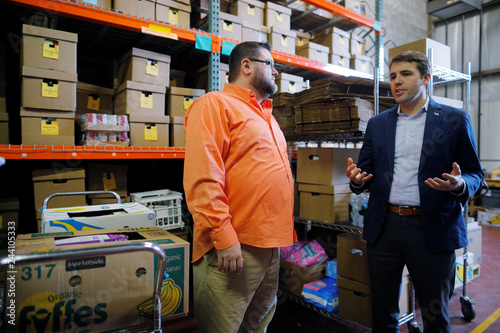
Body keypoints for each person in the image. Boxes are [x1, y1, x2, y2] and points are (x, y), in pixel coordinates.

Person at [345, 50, 484, 332]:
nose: (396, 82)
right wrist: (357, 180)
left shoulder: (454, 120)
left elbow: (475, 174)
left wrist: (459, 185)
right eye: (393, 76)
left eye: (406, 74)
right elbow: (365, 174)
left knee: (435, 314)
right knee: (382, 313)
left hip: (432, 229)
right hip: (385, 229)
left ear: (426, 79)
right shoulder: (377, 123)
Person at [183, 41, 296, 333]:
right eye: (270, 65)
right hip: (235, 248)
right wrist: (224, 237)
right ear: (246, 66)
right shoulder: (215, 104)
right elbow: (203, 176)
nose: (276, 72)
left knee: (257, 326)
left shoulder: (267, 116)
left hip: (270, 246)